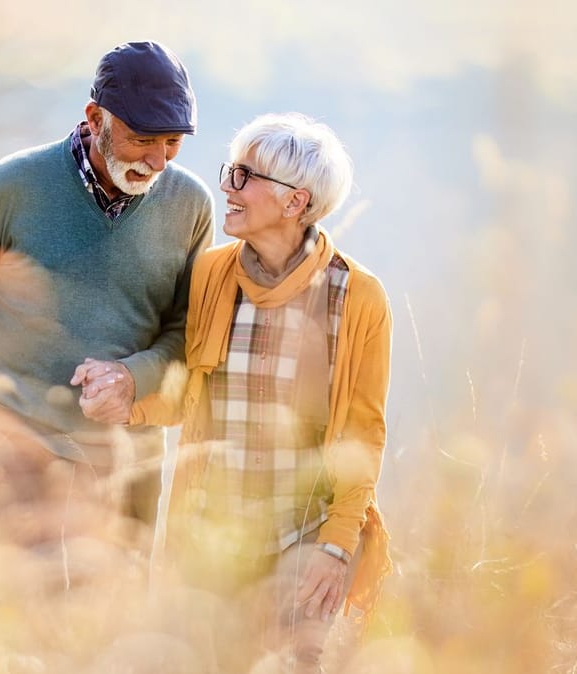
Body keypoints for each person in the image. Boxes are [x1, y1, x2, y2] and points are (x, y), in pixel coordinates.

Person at [0, 41, 213, 556]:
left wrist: (132, 377)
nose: (157, 160)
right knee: (26, 617)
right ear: (95, 116)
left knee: (111, 626)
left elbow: (187, 334)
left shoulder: (190, 205)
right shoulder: (11, 188)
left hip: (128, 459)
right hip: (15, 449)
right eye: (142, 138)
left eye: (172, 142)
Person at [129, 112, 393, 672]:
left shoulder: (359, 298)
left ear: (296, 202)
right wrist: (126, 397)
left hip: (304, 536)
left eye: (244, 176)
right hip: (211, 536)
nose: (227, 187)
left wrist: (335, 546)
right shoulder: (210, 276)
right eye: (231, 171)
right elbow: (186, 396)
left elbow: (362, 434)